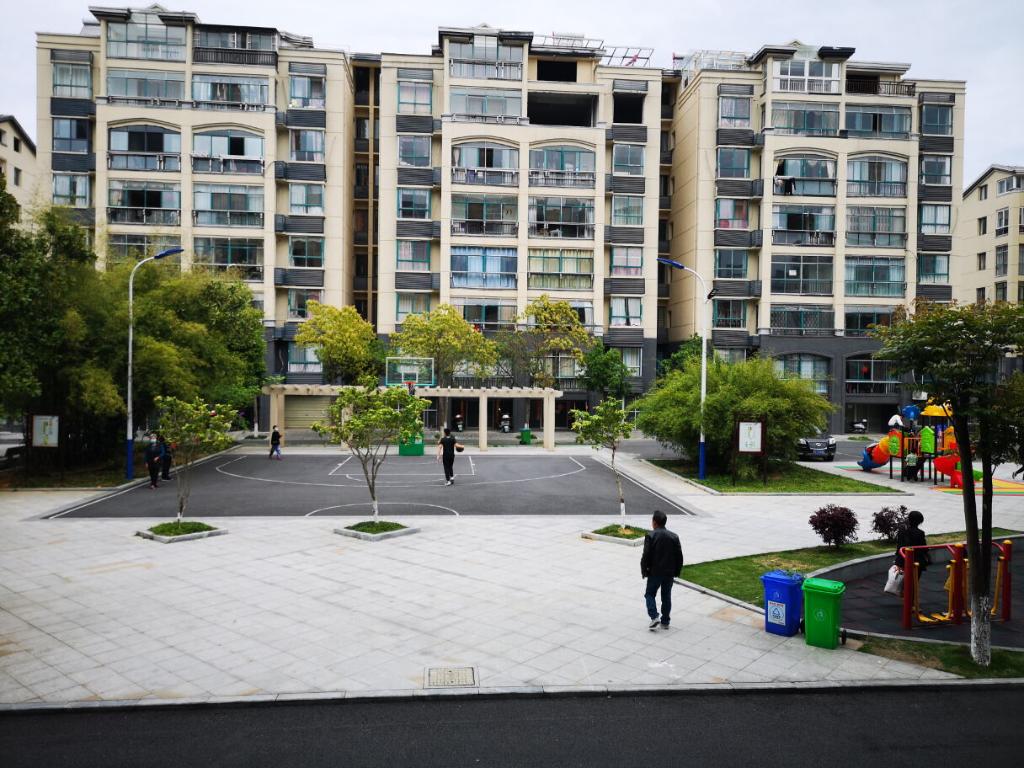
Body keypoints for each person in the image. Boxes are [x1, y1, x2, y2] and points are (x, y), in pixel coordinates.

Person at [641, 510, 684, 631]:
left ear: (654, 522)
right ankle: (665, 621)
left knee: (649, 594)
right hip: (669, 573)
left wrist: (644, 570)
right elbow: (679, 556)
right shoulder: (674, 536)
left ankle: (654, 617)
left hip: (654, 572)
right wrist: (677, 571)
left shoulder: (651, 536)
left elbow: (646, 555)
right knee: (666, 596)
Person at [894, 510, 930, 576]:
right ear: (919, 521)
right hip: (915, 561)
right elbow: (924, 548)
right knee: (915, 579)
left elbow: (899, 546)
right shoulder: (920, 533)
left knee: (901, 579)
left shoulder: (902, 531)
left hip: (902, 560)